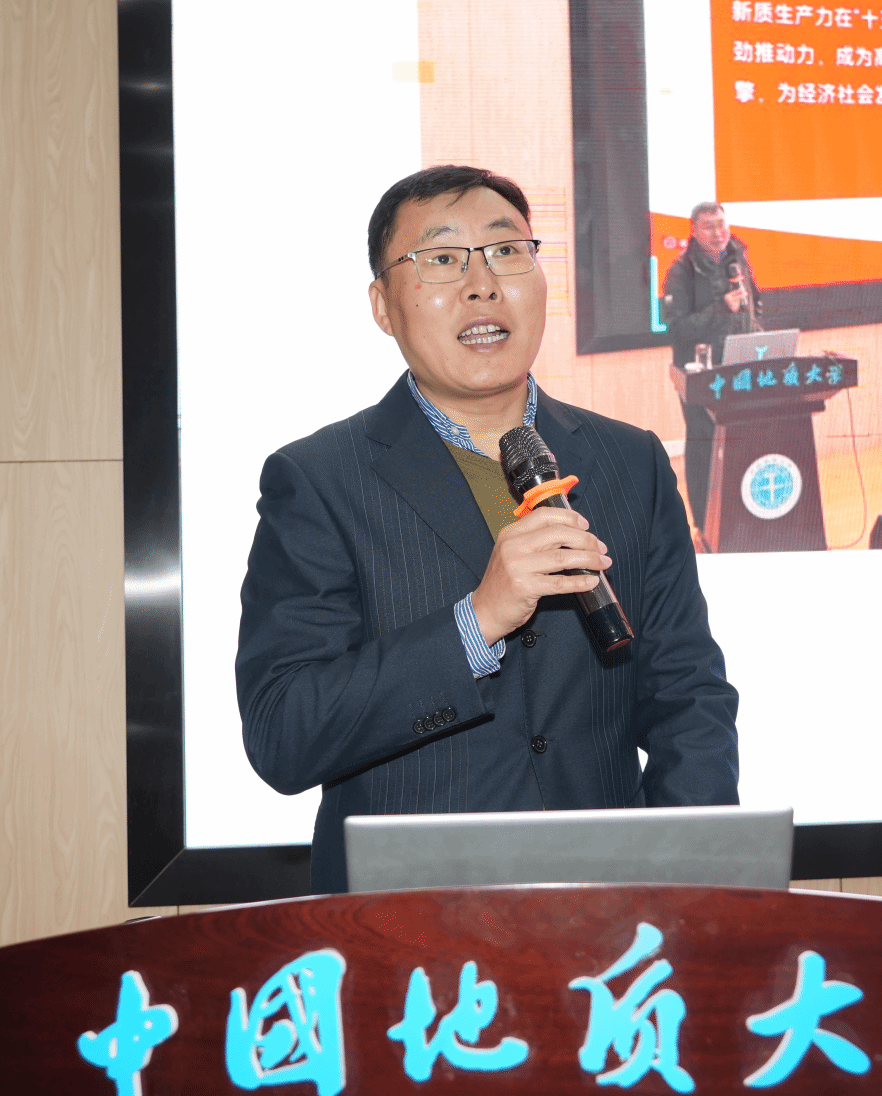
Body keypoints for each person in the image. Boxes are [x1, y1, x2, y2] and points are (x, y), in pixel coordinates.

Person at [236, 165, 740, 894]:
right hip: (407, 925)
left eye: (507, 251)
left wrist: (688, 886)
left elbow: (687, 695)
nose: (482, 285)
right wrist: (476, 623)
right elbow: (285, 733)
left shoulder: (631, 461)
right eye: (442, 259)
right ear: (382, 306)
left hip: (602, 915)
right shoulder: (319, 480)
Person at [661, 202, 763, 532]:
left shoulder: (738, 259)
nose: (719, 233)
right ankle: (704, 525)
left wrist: (760, 341)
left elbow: (753, 307)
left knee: (744, 441)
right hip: (700, 375)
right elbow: (677, 328)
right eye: (709, 227)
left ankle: (743, 518)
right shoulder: (682, 271)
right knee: (703, 444)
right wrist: (721, 307)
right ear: (694, 230)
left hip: (740, 367)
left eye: (722, 225)